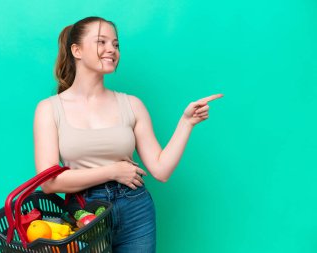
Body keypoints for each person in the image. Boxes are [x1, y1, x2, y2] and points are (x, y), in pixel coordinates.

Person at [33, 16, 223, 253]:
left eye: (116, 44)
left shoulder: (131, 105)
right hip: (83, 213)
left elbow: (160, 170)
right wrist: (112, 170)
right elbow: (49, 182)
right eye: (101, 42)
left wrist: (186, 123)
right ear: (77, 50)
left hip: (135, 208)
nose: (111, 49)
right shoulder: (49, 109)